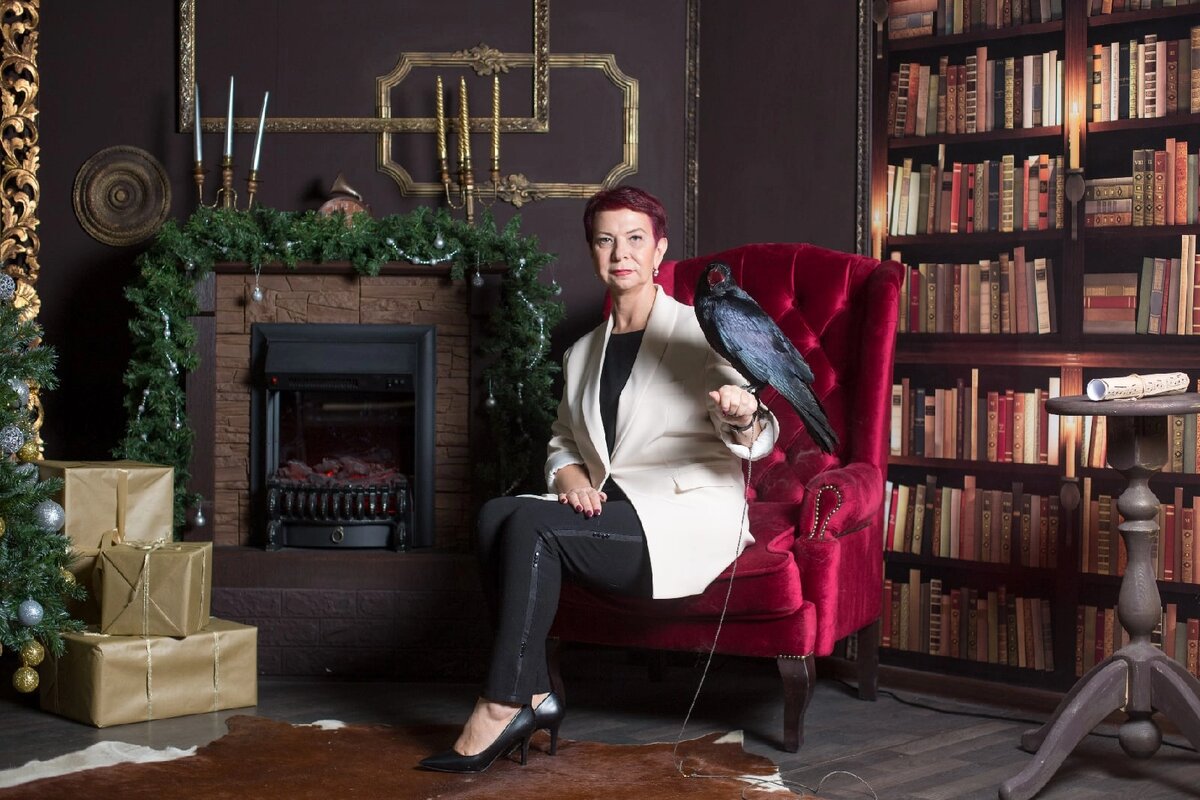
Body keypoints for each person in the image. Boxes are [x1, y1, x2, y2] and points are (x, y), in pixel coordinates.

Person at [419, 186, 779, 773]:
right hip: (612, 508)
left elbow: (754, 429)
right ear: (592, 251)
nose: (620, 253)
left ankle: (502, 703)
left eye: (635, 239)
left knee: (530, 524)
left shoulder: (698, 331)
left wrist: (743, 415)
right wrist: (570, 480)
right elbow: (564, 438)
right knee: (494, 515)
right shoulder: (583, 352)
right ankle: (537, 691)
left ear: (659, 250)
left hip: (683, 517)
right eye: (605, 240)